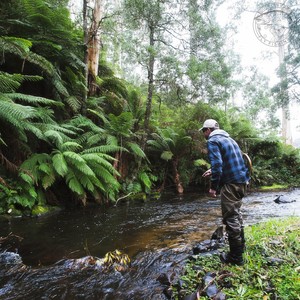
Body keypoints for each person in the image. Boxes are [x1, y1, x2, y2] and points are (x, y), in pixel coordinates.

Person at [200, 119, 250, 265]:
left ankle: (235, 258)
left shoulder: (212, 141)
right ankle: (241, 248)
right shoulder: (230, 139)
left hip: (231, 183)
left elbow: (218, 164)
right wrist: (213, 170)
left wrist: (213, 187)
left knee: (230, 218)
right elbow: (233, 160)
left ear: (208, 130)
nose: (204, 134)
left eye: (204, 131)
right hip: (242, 181)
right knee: (237, 215)